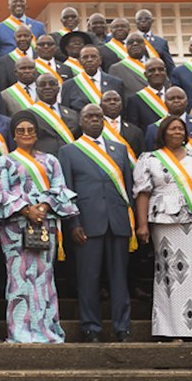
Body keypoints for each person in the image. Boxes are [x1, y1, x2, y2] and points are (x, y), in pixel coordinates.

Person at [0, 112, 78, 344]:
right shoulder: (4, 162)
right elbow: (0, 194)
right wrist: (27, 210)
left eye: (30, 130)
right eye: (21, 130)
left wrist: (43, 207)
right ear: (14, 135)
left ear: (36, 133)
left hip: (45, 225)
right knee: (19, 279)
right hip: (15, 228)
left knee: (44, 278)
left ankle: (47, 331)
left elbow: (60, 189)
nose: (26, 134)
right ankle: (20, 332)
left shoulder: (51, 161)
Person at [132, 115, 192, 340]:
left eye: (180, 129)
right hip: (165, 224)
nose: (177, 132)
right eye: (172, 129)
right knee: (170, 275)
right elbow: (143, 193)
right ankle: (171, 331)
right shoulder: (150, 159)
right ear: (163, 133)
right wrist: (142, 225)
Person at [59, 105, 136, 343]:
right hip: (87, 224)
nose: (94, 120)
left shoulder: (120, 150)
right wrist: (74, 224)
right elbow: (66, 191)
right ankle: (91, 326)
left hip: (118, 222)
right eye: (89, 117)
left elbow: (129, 190)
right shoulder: (69, 151)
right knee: (88, 278)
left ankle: (122, 326)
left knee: (119, 278)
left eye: (98, 117)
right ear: (80, 122)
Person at [143, 87, 192, 166]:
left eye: (180, 98)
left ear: (187, 101)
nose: (176, 100)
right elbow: (150, 160)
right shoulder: (153, 129)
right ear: (165, 103)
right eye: (171, 98)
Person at [27, 73, 79, 156]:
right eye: (42, 85)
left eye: (52, 84)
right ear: (36, 90)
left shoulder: (72, 114)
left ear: (58, 89)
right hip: (44, 162)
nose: (47, 87)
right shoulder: (29, 115)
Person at [61, 46, 125, 111]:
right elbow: (67, 112)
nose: (89, 60)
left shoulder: (115, 82)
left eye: (93, 57)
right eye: (85, 57)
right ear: (80, 61)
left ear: (100, 60)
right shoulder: (68, 85)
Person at [125, 58, 172, 130]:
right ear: (145, 74)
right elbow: (134, 131)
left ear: (165, 72)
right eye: (152, 70)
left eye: (160, 69)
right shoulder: (135, 100)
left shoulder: (174, 96)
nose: (157, 73)